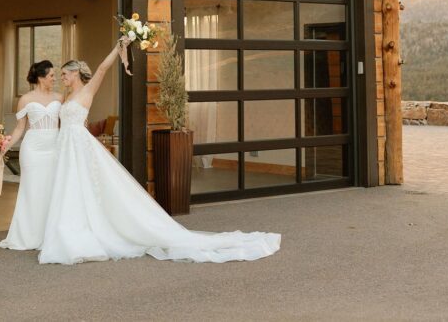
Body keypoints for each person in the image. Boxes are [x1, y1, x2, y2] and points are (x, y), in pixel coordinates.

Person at [37, 39, 280, 265]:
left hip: (79, 144)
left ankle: (85, 232)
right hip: (67, 145)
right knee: (71, 187)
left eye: (65, 74)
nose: (62, 78)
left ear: (76, 73)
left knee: (85, 186)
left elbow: (102, 68)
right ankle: (70, 230)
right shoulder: (67, 95)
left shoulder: (87, 90)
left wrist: (118, 47)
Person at [0, 60, 62, 250]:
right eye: (51, 76)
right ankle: (28, 235)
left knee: (52, 190)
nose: (55, 79)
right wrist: (5, 146)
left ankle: (50, 235)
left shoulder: (60, 97)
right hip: (33, 149)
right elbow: (19, 128)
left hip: (54, 148)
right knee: (32, 191)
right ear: (41, 77)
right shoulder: (25, 99)